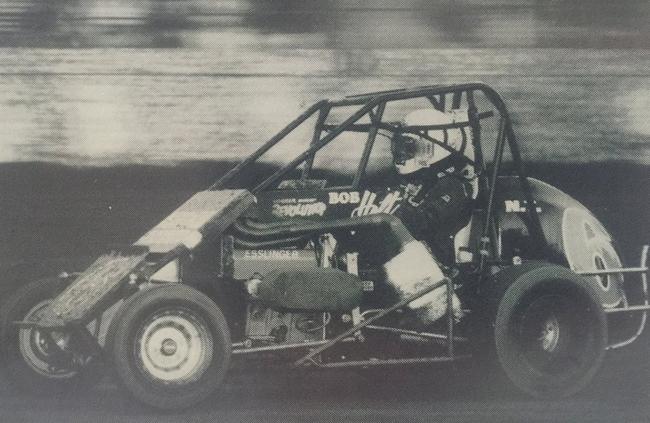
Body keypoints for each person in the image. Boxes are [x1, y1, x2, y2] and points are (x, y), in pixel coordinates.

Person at [391, 108, 476, 265]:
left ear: (430, 149)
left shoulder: (452, 186)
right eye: (400, 147)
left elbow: (421, 224)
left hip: (438, 266)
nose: (402, 154)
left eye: (409, 148)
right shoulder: (426, 181)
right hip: (413, 258)